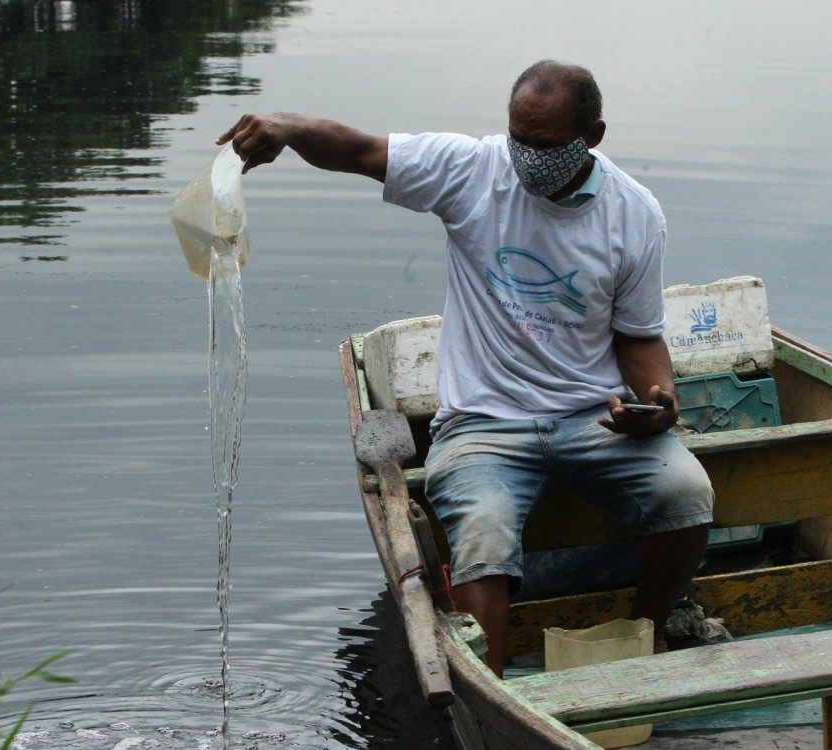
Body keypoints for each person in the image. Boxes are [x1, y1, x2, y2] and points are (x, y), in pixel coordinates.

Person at [217, 60, 714, 677]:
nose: (529, 158)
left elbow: (639, 338)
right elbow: (358, 149)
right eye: (519, 140)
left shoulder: (634, 213)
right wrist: (284, 126)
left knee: (685, 493)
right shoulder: (474, 170)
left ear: (595, 135)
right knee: (482, 533)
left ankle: (650, 632)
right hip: (482, 422)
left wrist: (659, 402)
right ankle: (493, 688)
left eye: (549, 146)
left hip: (593, 418)